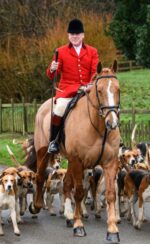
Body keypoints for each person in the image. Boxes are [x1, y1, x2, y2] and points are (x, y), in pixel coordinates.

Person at [46, 18, 99, 154]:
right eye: (72, 34)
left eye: (77, 34)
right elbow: (52, 76)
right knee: (59, 108)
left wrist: (90, 85)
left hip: (88, 89)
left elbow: (95, 71)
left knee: (106, 106)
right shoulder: (60, 51)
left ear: (83, 35)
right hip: (67, 90)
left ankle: (112, 138)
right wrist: (52, 68)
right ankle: (54, 141)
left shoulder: (92, 51)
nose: (74, 37)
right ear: (68, 36)